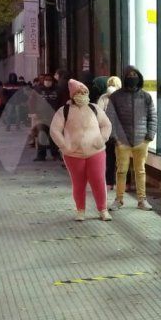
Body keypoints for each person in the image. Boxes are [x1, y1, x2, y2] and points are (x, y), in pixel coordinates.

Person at [49, 79, 113, 222]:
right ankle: (80, 210)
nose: (82, 94)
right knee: (78, 183)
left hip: (96, 151)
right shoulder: (63, 111)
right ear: (72, 94)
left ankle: (103, 209)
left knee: (98, 180)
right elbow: (55, 130)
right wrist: (64, 146)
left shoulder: (95, 108)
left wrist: (101, 139)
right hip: (73, 154)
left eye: (84, 92)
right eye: (78, 92)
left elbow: (106, 125)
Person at [106, 66, 156, 210]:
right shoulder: (116, 96)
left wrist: (150, 135)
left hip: (142, 140)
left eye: (135, 74)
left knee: (140, 171)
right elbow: (110, 118)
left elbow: (152, 116)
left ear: (139, 77)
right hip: (122, 142)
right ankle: (119, 199)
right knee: (121, 171)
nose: (132, 77)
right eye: (129, 74)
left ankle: (142, 200)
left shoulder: (145, 96)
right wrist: (115, 138)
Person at [99, 75, 122, 190]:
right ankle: (124, 184)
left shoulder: (103, 97)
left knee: (109, 158)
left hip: (107, 132)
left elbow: (99, 114)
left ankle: (109, 183)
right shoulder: (124, 97)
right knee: (122, 159)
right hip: (121, 133)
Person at [32, 73, 61, 161]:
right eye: (46, 80)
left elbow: (61, 101)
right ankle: (41, 155)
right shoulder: (37, 90)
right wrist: (33, 112)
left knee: (54, 136)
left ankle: (55, 154)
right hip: (41, 116)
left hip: (54, 116)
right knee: (42, 135)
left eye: (50, 80)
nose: (48, 82)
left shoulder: (57, 90)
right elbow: (32, 101)